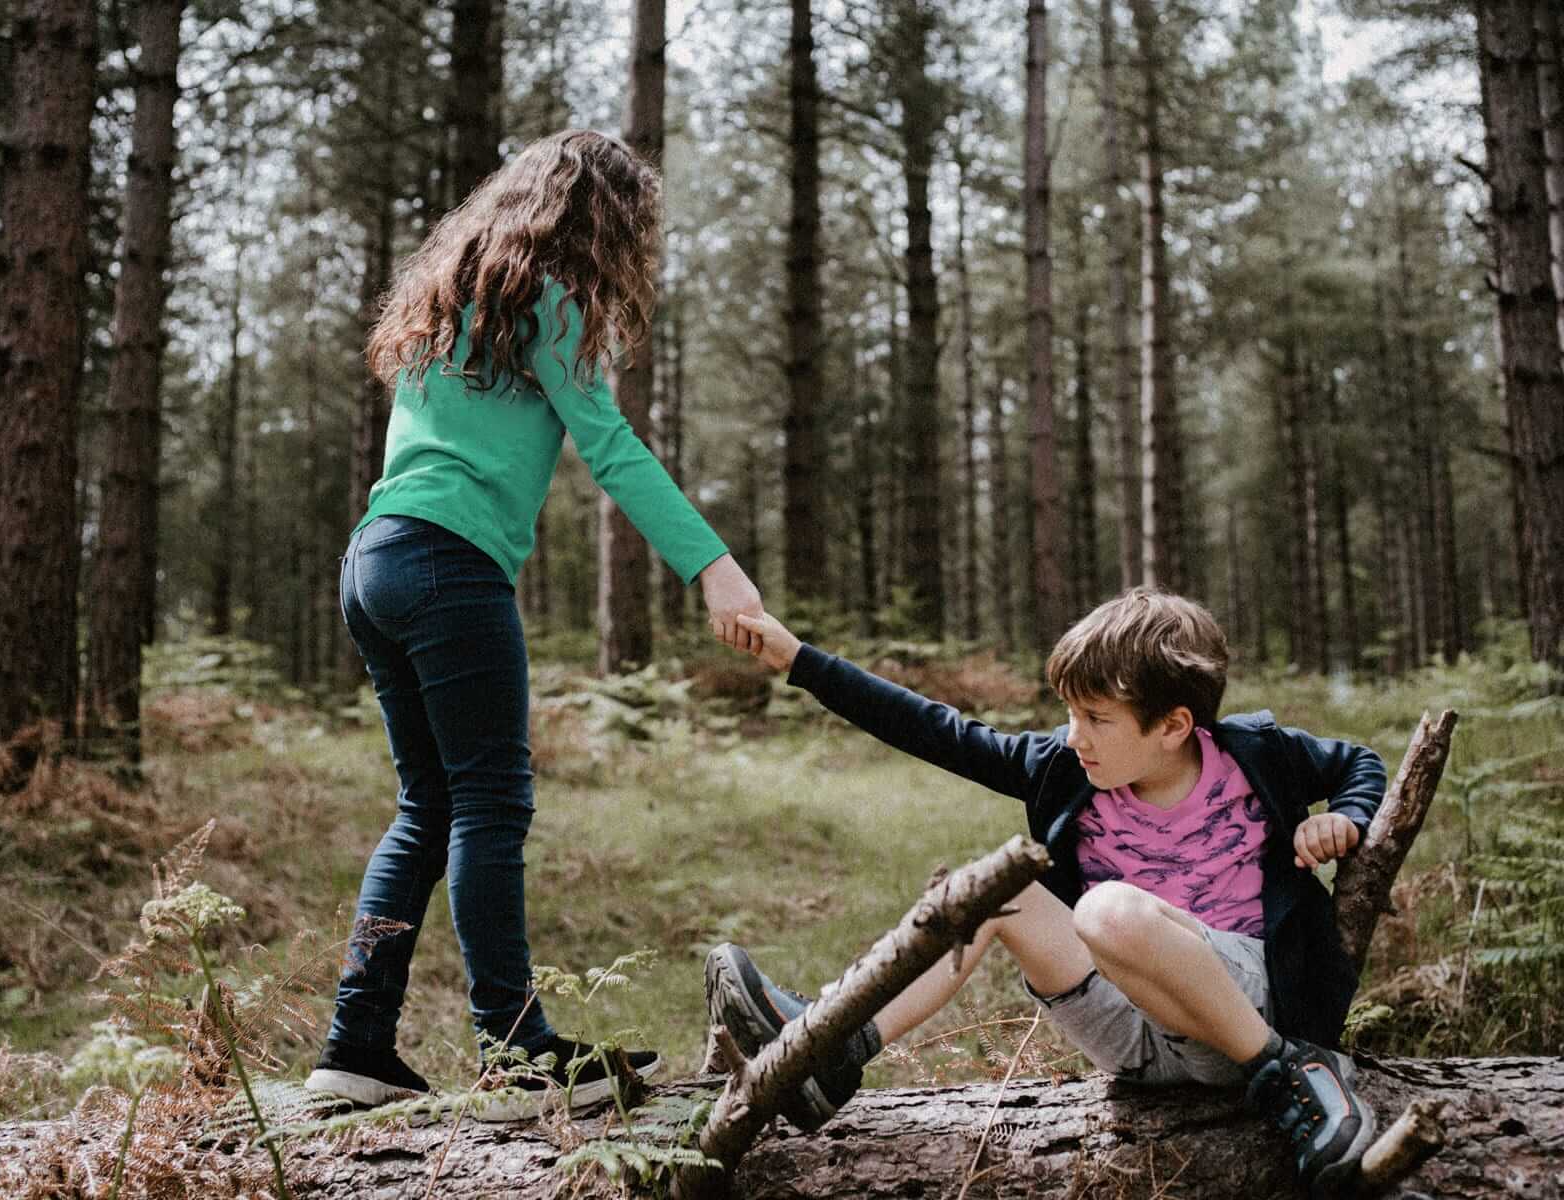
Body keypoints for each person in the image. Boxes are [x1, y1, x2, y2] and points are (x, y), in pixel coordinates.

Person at [304, 130, 762, 1122]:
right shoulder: (552, 303)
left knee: (429, 805)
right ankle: (516, 1055)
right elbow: (613, 448)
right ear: (596, 222)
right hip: (444, 568)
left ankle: (355, 1046)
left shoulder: (452, 304)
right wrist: (717, 572)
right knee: (488, 805)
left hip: (374, 562)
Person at [707, 588, 1383, 1199]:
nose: (1073, 736)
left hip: (1241, 1010)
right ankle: (836, 1046)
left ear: (1174, 726)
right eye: (1069, 712)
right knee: (1002, 890)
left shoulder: (1255, 756)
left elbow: (1360, 762)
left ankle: (1292, 1075)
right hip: (1134, 1035)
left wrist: (1344, 817)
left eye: (1097, 718)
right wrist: (797, 658)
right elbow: (934, 730)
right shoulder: (1065, 769)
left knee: (1107, 910)